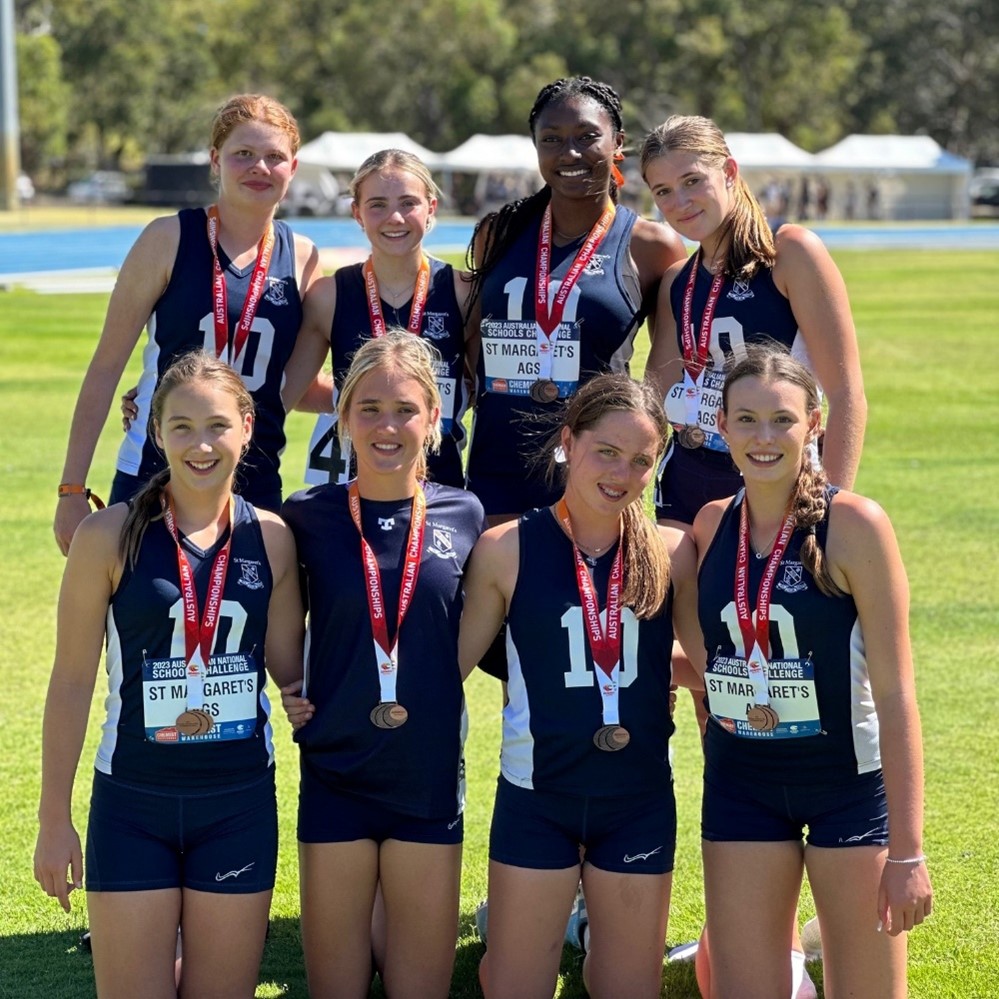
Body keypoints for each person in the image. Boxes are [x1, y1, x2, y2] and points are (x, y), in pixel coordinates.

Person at [34, 350, 305, 998]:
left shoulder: (271, 537)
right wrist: (53, 818)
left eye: (216, 424)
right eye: (181, 426)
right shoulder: (109, 535)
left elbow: (289, 667)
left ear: (246, 424)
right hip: (133, 802)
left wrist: (307, 695)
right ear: (155, 433)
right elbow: (71, 680)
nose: (200, 443)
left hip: (236, 805)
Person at [692, 345, 931, 998]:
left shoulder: (853, 524)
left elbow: (895, 691)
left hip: (845, 789)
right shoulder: (710, 527)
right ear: (720, 424)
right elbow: (705, 656)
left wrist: (907, 852)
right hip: (742, 787)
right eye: (745, 420)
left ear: (814, 421)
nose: (762, 437)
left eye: (781, 419)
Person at [459, 373, 703, 999]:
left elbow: (704, 664)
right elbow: (448, 670)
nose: (622, 473)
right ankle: (525, 931)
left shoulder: (669, 550)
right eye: (607, 452)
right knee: (514, 987)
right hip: (539, 797)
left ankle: (588, 930)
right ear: (568, 440)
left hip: (639, 799)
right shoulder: (505, 548)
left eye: (642, 461)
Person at [279, 331, 486, 999]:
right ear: (342, 418)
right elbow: (265, 607)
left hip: (424, 777)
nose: (386, 425)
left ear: (433, 417)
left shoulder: (466, 512)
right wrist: (288, 683)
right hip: (337, 769)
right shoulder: (305, 517)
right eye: (368, 408)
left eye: (404, 408)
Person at [53, 93, 321, 555]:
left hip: (252, 480)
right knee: (139, 624)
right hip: (156, 468)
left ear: (292, 169)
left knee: (251, 626)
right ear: (215, 161)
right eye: (243, 154)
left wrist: (391, 400)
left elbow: (291, 390)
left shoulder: (304, 259)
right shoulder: (167, 238)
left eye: (274, 157)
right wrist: (71, 489)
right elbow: (106, 366)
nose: (259, 167)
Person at [464, 75, 686, 523]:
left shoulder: (651, 245)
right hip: (498, 469)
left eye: (587, 137)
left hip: (597, 474)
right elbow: (472, 344)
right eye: (552, 140)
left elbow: (668, 371)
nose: (569, 154)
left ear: (618, 142)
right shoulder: (498, 232)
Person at [285, 148, 472, 490]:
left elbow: (486, 389)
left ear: (431, 208)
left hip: (441, 491)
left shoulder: (462, 292)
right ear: (357, 213)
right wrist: (365, 402)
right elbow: (295, 391)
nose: (395, 218)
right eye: (378, 205)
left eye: (408, 203)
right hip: (352, 489)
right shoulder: (329, 296)